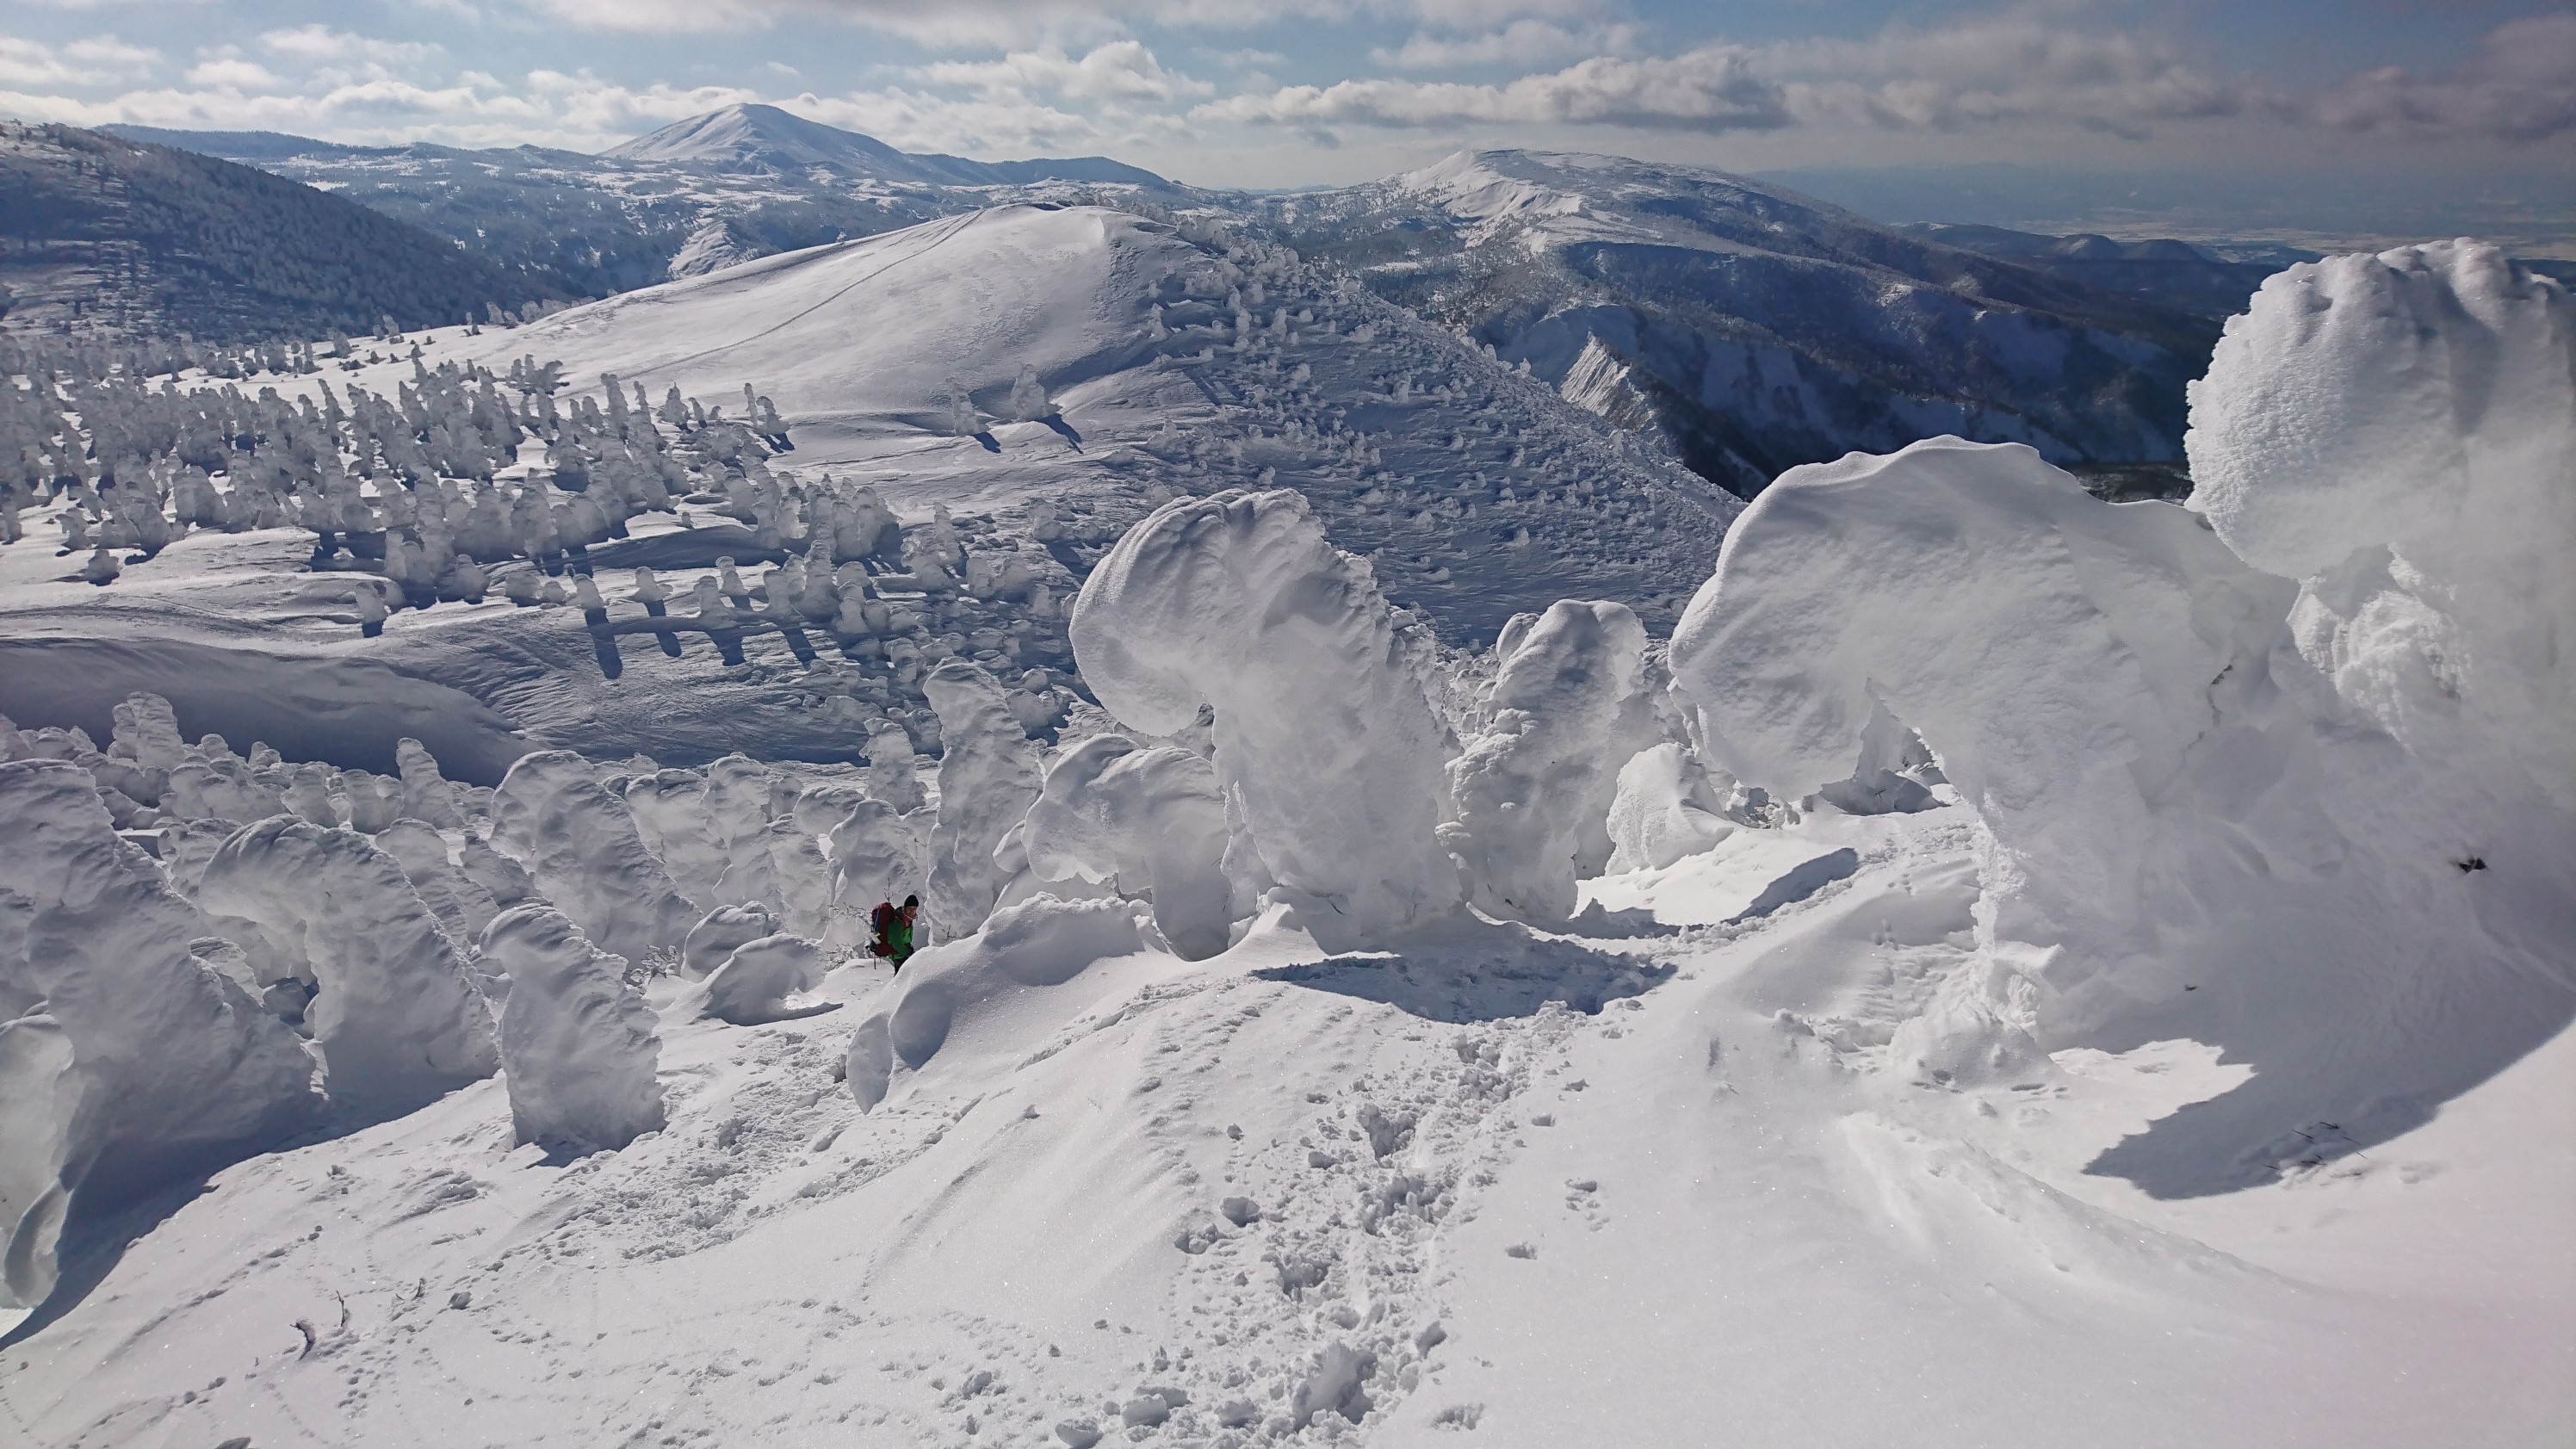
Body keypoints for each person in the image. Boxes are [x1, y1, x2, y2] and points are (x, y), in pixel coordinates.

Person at [870, 894, 920, 970]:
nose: (912, 911)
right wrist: (906, 953)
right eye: (910, 908)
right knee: (903, 977)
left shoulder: (906, 919)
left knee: (902, 976)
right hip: (898, 954)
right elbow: (896, 943)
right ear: (905, 908)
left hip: (902, 952)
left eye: (914, 909)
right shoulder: (898, 923)